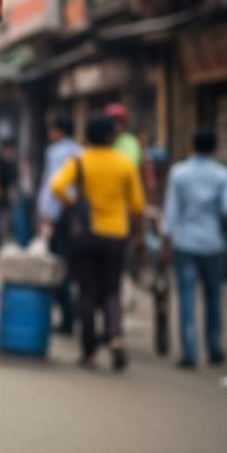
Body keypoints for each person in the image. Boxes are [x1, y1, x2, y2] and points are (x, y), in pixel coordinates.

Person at [51, 114, 146, 371]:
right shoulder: (124, 164)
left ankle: (89, 353)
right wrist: (139, 236)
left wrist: (73, 204)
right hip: (116, 234)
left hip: (85, 235)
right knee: (112, 290)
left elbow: (57, 186)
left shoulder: (80, 161)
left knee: (87, 293)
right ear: (110, 136)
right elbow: (138, 205)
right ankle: (115, 336)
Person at [160, 128, 227, 369]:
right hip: (213, 242)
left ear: (192, 145)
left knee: (187, 297)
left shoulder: (179, 173)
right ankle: (214, 347)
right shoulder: (222, 174)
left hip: (185, 242)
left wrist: (165, 242)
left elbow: (171, 211)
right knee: (213, 297)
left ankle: (189, 352)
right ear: (215, 148)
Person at [37, 117, 82, 335]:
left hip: (61, 217)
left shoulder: (55, 152)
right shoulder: (80, 151)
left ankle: (66, 317)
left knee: (59, 268)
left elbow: (53, 185)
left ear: (60, 131)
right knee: (73, 270)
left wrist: (46, 215)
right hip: (79, 218)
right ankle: (72, 316)